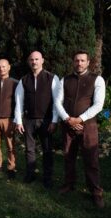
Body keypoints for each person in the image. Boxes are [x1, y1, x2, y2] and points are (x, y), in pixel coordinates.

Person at [55, 50, 105, 208]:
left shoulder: (97, 80)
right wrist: (68, 119)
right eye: (77, 60)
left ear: (88, 62)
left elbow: (98, 104)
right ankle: (69, 184)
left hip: (87, 126)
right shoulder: (65, 80)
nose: (79, 63)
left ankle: (96, 192)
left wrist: (80, 119)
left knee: (91, 159)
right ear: (73, 62)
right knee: (69, 156)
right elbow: (57, 102)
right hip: (68, 124)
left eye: (82, 60)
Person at [15, 51, 59, 188]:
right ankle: (30, 173)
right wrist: (19, 121)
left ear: (42, 61)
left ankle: (47, 177)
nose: (34, 62)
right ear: (29, 62)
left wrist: (54, 120)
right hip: (28, 120)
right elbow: (18, 101)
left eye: (37, 59)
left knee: (47, 150)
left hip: (46, 120)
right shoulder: (24, 80)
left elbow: (57, 101)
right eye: (32, 60)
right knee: (29, 149)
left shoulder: (52, 78)